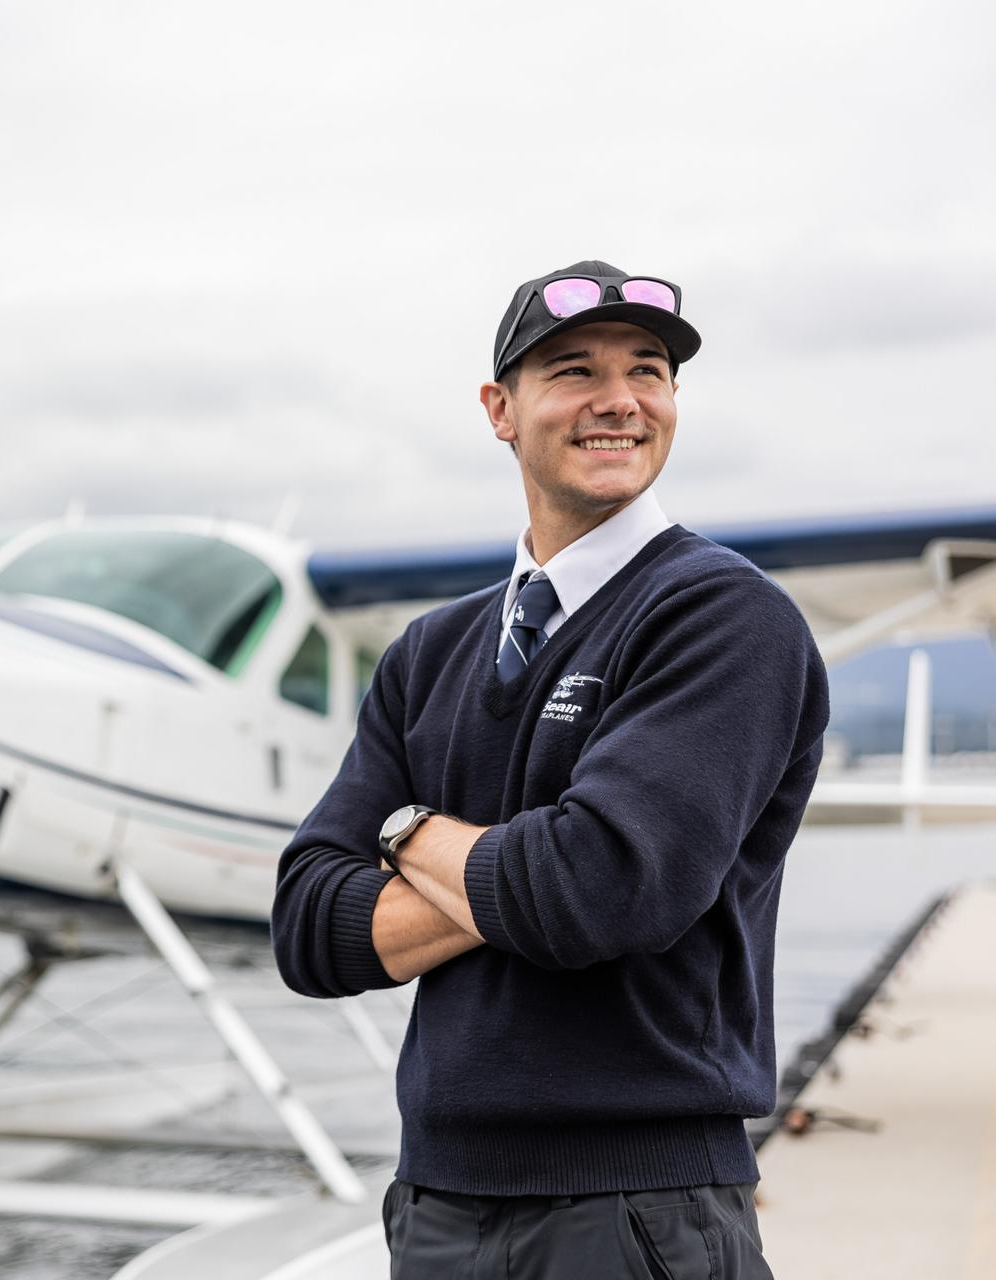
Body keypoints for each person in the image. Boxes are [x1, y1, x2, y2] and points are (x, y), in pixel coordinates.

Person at [270, 261, 829, 1278]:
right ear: (500, 408)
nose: (619, 400)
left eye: (648, 371)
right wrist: (526, 866)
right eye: (574, 369)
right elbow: (308, 928)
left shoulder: (722, 616)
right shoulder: (430, 650)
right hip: (435, 1203)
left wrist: (403, 832)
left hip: (635, 1210)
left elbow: (598, 889)